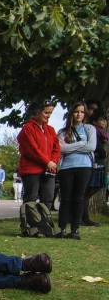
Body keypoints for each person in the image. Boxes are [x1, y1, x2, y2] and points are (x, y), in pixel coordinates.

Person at [55, 101, 96, 239]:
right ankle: (62, 228)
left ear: (85, 114)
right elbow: (60, 148)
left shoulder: (89, 129)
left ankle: (75, 229)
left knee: (78, 198)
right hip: (66, 167)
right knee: (66, 198)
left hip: (84, 167)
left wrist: (70, 146)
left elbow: (91, 147)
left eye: (82, 112)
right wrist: (81, 144)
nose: (79, 114)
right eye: (76, 111)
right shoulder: (62, 131)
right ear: (72, 113)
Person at [16, 100, 60, 206]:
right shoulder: (28, 128)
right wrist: (46, 162)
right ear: (37, 112)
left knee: (48, 198)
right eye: (46, 113)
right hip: (32, 170)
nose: (48, 116)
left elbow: (56, 147)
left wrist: (53, 161)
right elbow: (31, 149)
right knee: (31, 198)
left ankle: (43, 222)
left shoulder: (50, 130)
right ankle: (29, 222)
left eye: (50, 113)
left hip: (49, 169)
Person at [81, 109, 109, 227]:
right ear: (95, 121)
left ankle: (83, 217)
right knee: (88, 191)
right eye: (101, 120)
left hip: (99, 163)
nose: (104, 122)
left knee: (91, 190)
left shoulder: (101, 133)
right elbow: (96, 147)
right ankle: (84, 218)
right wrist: (103, 153)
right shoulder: (94, 132)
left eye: (105, 120)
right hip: (95, 163)